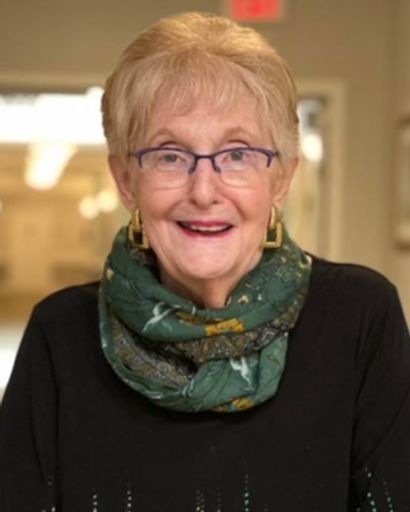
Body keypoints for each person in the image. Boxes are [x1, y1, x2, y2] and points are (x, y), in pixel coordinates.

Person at [1, 11, 410, 512]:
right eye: (170, 155)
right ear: (126, 181)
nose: (203, 191)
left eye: (237, 154)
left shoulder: (358, 317)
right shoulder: (61, 333)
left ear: (281, 178)